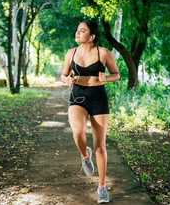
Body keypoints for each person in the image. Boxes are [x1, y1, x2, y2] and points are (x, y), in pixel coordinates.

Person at [61, 20, 120, 203]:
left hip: (98, 98)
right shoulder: (71, 53)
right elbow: (63, 75)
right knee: (78, 132)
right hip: (77, 96)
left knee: (100, 145)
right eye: (78, 29)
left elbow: (116, 74)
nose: (78, 33)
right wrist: (67, 80)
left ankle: (102, 187)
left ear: (92, 36)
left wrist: (106, 78)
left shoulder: (103, 53)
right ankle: (85, 156)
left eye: (82, 31)